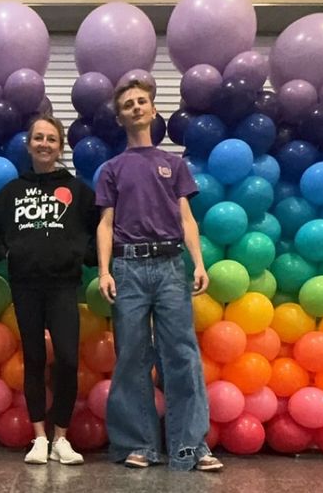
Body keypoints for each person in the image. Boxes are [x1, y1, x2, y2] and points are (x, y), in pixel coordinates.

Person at [95, 80, 223, 472]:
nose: (136, 107)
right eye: (128, 104)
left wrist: (198, 262)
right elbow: (105, 223)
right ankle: (140, 444)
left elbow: (186, 218)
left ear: (153, 111)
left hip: (170, 267)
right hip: (129, 269)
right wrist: (105, 270)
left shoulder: (175, 164)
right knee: (132, 356)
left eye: (142, 101)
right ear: (120, 118)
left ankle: (190, 447)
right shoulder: (111, 169)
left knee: (182, 356)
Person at [0, 115, 97, 465]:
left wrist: (83, 256)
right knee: (35, 360)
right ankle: (39, 437)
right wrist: (2, 251)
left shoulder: (77, 191)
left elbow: (103, 226)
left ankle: (62, 438)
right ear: (29, 145)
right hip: (25, 285)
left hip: (63, 286)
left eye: (52, 139)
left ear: (60, 147)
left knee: (68, 361)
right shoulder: (14, 191)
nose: (44, 144)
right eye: (38, 138)